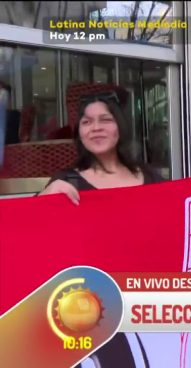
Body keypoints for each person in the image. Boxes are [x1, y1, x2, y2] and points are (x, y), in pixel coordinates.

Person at [37, 90, 164, 368]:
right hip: (96, 310)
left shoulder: (150, 176)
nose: (96, 128)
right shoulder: (66, 182)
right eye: (86, 121)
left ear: (120, 125)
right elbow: (35, 236)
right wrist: (44, 198)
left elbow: (175, 224)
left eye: (105, 120)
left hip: (146, 302)